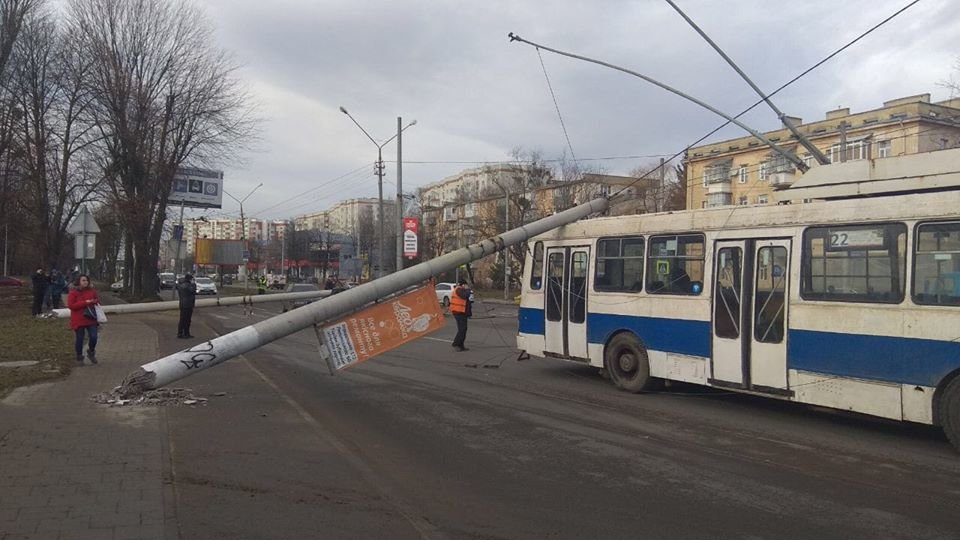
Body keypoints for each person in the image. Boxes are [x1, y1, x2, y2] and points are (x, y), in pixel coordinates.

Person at [67, 274, 100, 365]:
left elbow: (97, 301)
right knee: (80, 339)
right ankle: (79, 357)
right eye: (83, 280)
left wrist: (94, 301)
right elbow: (71, 305)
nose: (86, 282)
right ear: (79, 282)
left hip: (91, 318)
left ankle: (91, 351)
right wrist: (85, 303)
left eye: (87, 280)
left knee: (94, 337)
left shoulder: (92, 291)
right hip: (78, 319)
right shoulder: (73, 292)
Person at [450, 279, 473, 352]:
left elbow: (467, 304)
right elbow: (464, 295)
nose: (467, 286)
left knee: (463, 329)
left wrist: (469, 314)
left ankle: (461, 346)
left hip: (462, 313)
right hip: (458, 312)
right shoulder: (459, 290)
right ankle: (456, 344)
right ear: (463, 285)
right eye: (466, 285)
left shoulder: (461, 290)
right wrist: (468, 290)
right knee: (462, 330)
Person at [177, 274, 197, 339]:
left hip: (183, 304)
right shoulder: (187, 286)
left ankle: (182, 333)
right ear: (189, 279)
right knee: (186, 320)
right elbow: (193, 291)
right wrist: (194, 284)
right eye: (192, 279)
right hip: (187, 304)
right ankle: (185, 333)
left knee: (183, 319)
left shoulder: (181, 285)